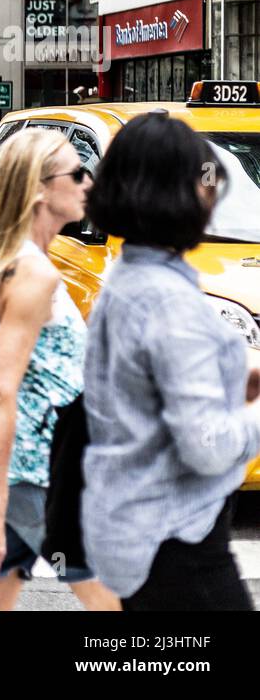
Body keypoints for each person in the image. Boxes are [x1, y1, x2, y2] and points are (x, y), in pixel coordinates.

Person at [82, 113, 260, 610]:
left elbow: (143, 387)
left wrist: (235, 381)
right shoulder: (167, 299)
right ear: (174, 194)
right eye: (205, 183)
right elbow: (205, 444)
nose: (213, 196)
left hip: (131, 528)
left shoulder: (128, 277)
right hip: (178, 542)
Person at [0, 128, 119, 611]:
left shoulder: (22, 262)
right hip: (39, 481)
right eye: (77, 172)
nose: (89, 182)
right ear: (40, 188)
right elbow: (0, 391)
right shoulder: (33, 273)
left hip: (31, 477)